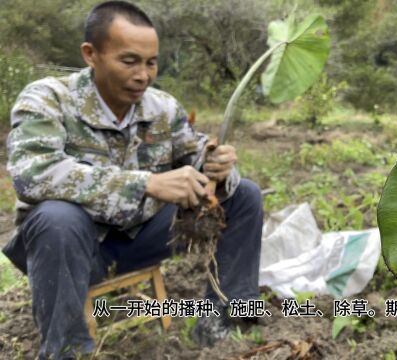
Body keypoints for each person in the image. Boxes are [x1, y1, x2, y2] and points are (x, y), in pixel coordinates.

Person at [1, 1, 263, 358]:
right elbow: (34, 175)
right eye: (129, 61)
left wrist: (215, 164)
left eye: (151, 63)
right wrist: (145, 184)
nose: (143, 75)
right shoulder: (48, 99)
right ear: (91, 54)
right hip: (70, 248)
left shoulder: (161, 108)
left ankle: (224, 320)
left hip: (140, 237)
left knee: (245, 195)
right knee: (56, 217)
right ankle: (67, 351)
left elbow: (194, 152)